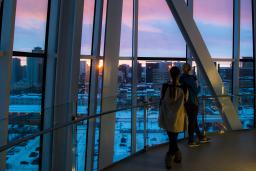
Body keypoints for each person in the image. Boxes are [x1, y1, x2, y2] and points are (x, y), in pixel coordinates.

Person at [158, 66, 188, 169]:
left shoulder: (165, 86)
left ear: (170, 74)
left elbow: (162, 99)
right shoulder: (183, 87)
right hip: (178, 117)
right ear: (179, 74)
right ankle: (177, 155)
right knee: (173, 138)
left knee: (172, 138)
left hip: (167, 116)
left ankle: (170, 156)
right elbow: (186, 101)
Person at [179, 63, 209, 147]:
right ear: (189, 70)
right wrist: (198, 85)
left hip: (186, 102)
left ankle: (199, 136)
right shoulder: (190, 79)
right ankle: (191, 140)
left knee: (193, 120)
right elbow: (196, 91)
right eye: (191, 69)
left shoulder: (181, 78)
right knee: (192, 121)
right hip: (192, 102)